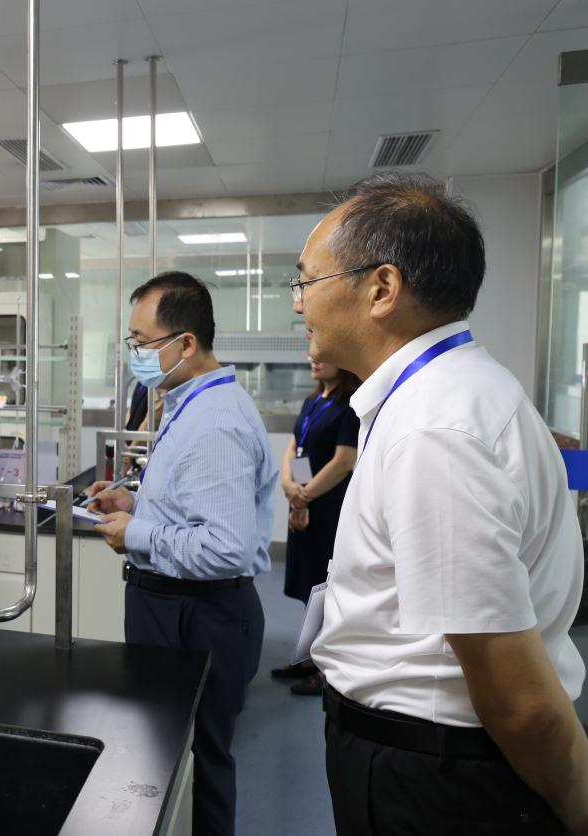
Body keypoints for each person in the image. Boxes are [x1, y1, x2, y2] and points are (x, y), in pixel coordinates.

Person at [298, 173, 588, 834]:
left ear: (382, 289)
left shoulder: (435, 428)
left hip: (433, 780)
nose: (298, 302)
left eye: (307, 281)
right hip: (426, 759)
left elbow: (517, 700)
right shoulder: (443, 395)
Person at [86, 272, 276, 836]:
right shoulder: (191, 402)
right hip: (177, 606)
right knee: (170, 753)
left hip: (198, 613)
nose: (136, 355)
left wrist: (137, 534)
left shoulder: (215, 422)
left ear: (186, 343)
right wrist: (136, 502)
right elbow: (193, 505)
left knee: (201, 762)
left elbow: (223, 548)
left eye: (142, 342)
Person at [269, 358, 359, 696]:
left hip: (328, 508)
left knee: (327, 589)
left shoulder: (350, 406)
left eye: (323, 356)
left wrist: (304, 496)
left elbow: (343, 461)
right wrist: (292, 490)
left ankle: (326, 671)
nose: (314, 360)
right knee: (309, 587)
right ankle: (309, 658)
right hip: (305, 503)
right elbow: (296, 446)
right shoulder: (313, 401)